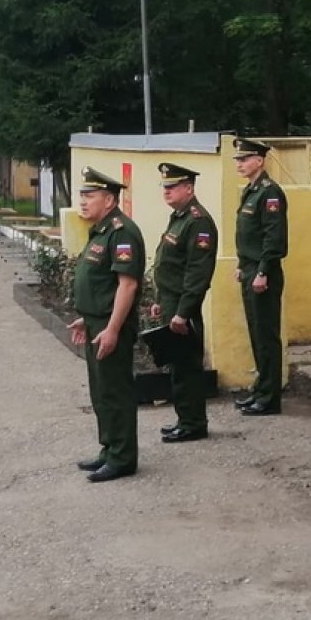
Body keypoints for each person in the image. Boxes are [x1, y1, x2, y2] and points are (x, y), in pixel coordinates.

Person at [68, 168, 146, 482]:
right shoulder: (101, 230)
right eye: (82, 195)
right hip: (96, 321)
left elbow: (127, 285)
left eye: (90, 195)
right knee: (101, 391)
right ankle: (109, 448)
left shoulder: (122, 232)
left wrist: (112, 328)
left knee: (115, 391)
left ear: (109, 199)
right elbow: (99, 283)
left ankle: (122, 458)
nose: (83, 201)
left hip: (111, 325)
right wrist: (87, 318)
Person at [150, 163, 218, 443]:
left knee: (188, 365)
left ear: (188, 188)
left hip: (182, 304)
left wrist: (183, 312)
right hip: (171, 301)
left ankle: (193, 423)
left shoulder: (197, 221)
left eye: (172, 186)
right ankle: (185, 418)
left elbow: (197, 272)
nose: (166, 191)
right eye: (164, 187)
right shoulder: (179, 217)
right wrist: (158, 299)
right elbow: (169, 264)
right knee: (177, 364)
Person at [232, 138, 288, 416]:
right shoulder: (251, 191)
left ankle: (269, 396)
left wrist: (263, 270)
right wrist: (244, 264)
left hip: (263, 271)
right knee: (256, 332)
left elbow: (273, 237)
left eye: (244, 159)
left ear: (260, 161)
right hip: (251, 268)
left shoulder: (270, 193)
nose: (239, 164)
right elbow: (248, 234)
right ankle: (261, 387)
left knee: (266, 334)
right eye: (238, 159)